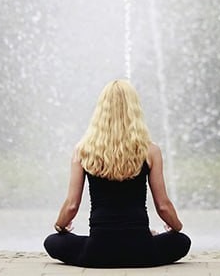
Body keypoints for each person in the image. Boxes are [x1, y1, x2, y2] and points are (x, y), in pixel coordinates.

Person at [43, 79, 191, 268]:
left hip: (97, 251)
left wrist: (60, 226)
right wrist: (176, 228)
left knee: (52, 241)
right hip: (142, 251)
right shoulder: (151, 151)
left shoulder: (83, 150)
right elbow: (163, 206)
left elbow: (72, 206)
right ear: (134, 109)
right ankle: (151, 238)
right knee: (182, 241)